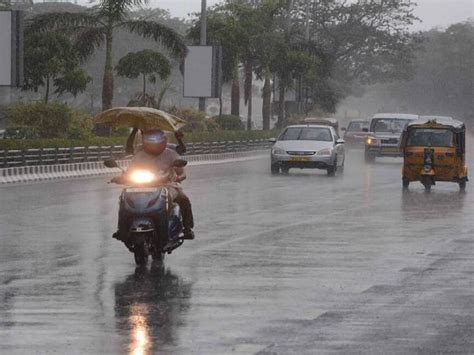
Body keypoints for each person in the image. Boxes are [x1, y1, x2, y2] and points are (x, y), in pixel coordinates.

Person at [113, 129, 195, 245]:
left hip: (168, 185)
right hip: (141, 185)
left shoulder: (171, 153)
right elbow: (129, 172)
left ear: (163, 141)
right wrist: (120, 178)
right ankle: (122, 230)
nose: (153, 144)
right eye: (150, 141)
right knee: (123, 200)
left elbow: (182, 173)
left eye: (156, 140)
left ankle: (187, 228)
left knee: (184, 199)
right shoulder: (139, 155)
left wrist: (178, 178)